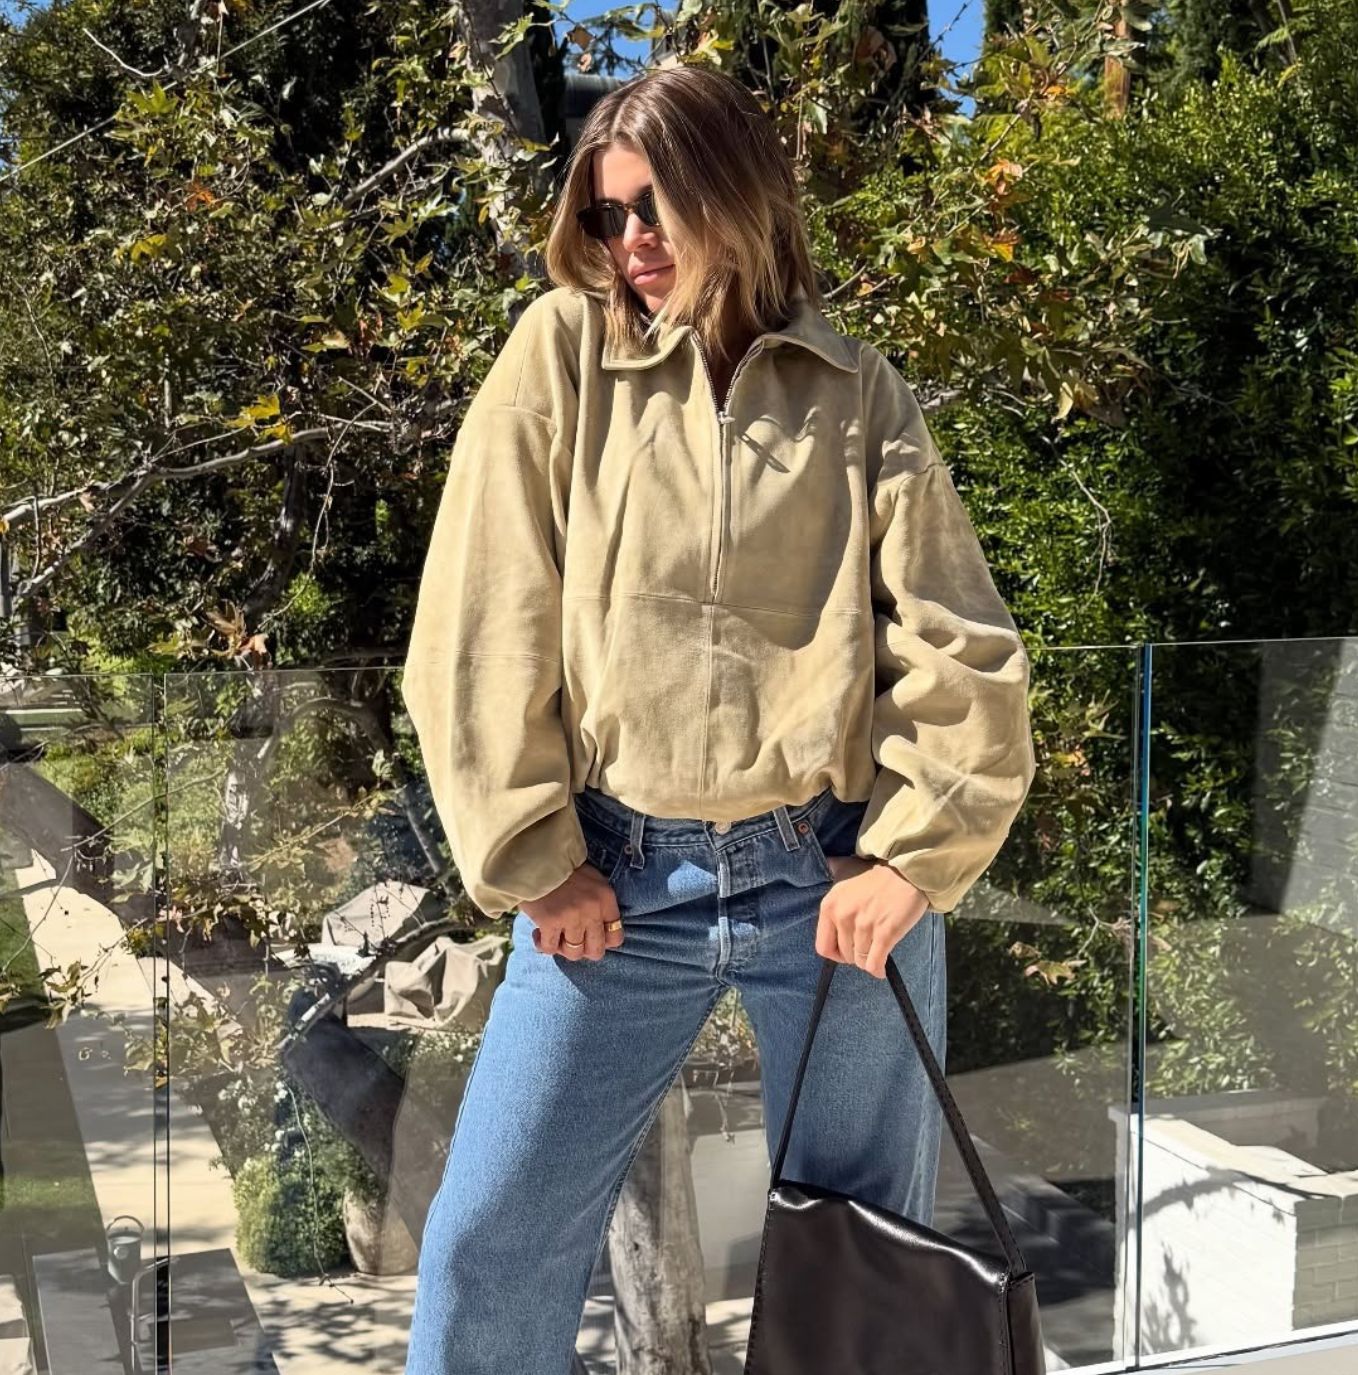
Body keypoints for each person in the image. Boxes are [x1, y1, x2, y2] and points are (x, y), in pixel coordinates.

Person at [399, 64, 1036, 1375]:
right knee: (486, 1247)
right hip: (613, 889)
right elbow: (478, 620)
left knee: (859, 1268)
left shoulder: (856, 395)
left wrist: (911, 854)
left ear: (732, 201)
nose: (628, 243)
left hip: (833, 882)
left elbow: (959, 645)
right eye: (604, 215)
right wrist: (531, 852)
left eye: (653, 209)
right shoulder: (561, 357)